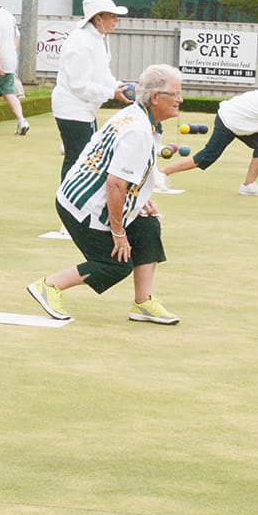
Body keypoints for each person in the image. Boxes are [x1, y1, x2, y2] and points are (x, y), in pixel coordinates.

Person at [26, 64, 185, 326]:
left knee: (147, 227)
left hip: (93, 196)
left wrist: (141, 200)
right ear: (155, 97)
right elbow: (115, 184)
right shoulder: (138, 130)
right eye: (175, 94)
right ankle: (49, 286)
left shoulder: (140, 117)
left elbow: (126, 170)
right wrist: (119, 233)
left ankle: (143, 302)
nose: (180, 99)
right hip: (84, 206)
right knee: (116, 264)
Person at [52, 0, 132, 180]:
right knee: (78, 160)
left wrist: (118, 85)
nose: (116, 20)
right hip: (72, 110)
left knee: (84, 158)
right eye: (112, 16)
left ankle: (72, 194)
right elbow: (79, 85)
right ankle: (68, 195)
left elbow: (102, 75)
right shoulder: (80, 43)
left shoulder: (96, 38)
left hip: (84, 110)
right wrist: (112, 93)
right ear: (98, 18)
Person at [0, 0, 28, 135]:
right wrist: (10, 53)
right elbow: (17, 37)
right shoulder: (9, 15)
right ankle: (22, 120)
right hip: (10, 61)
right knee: (9, 92)